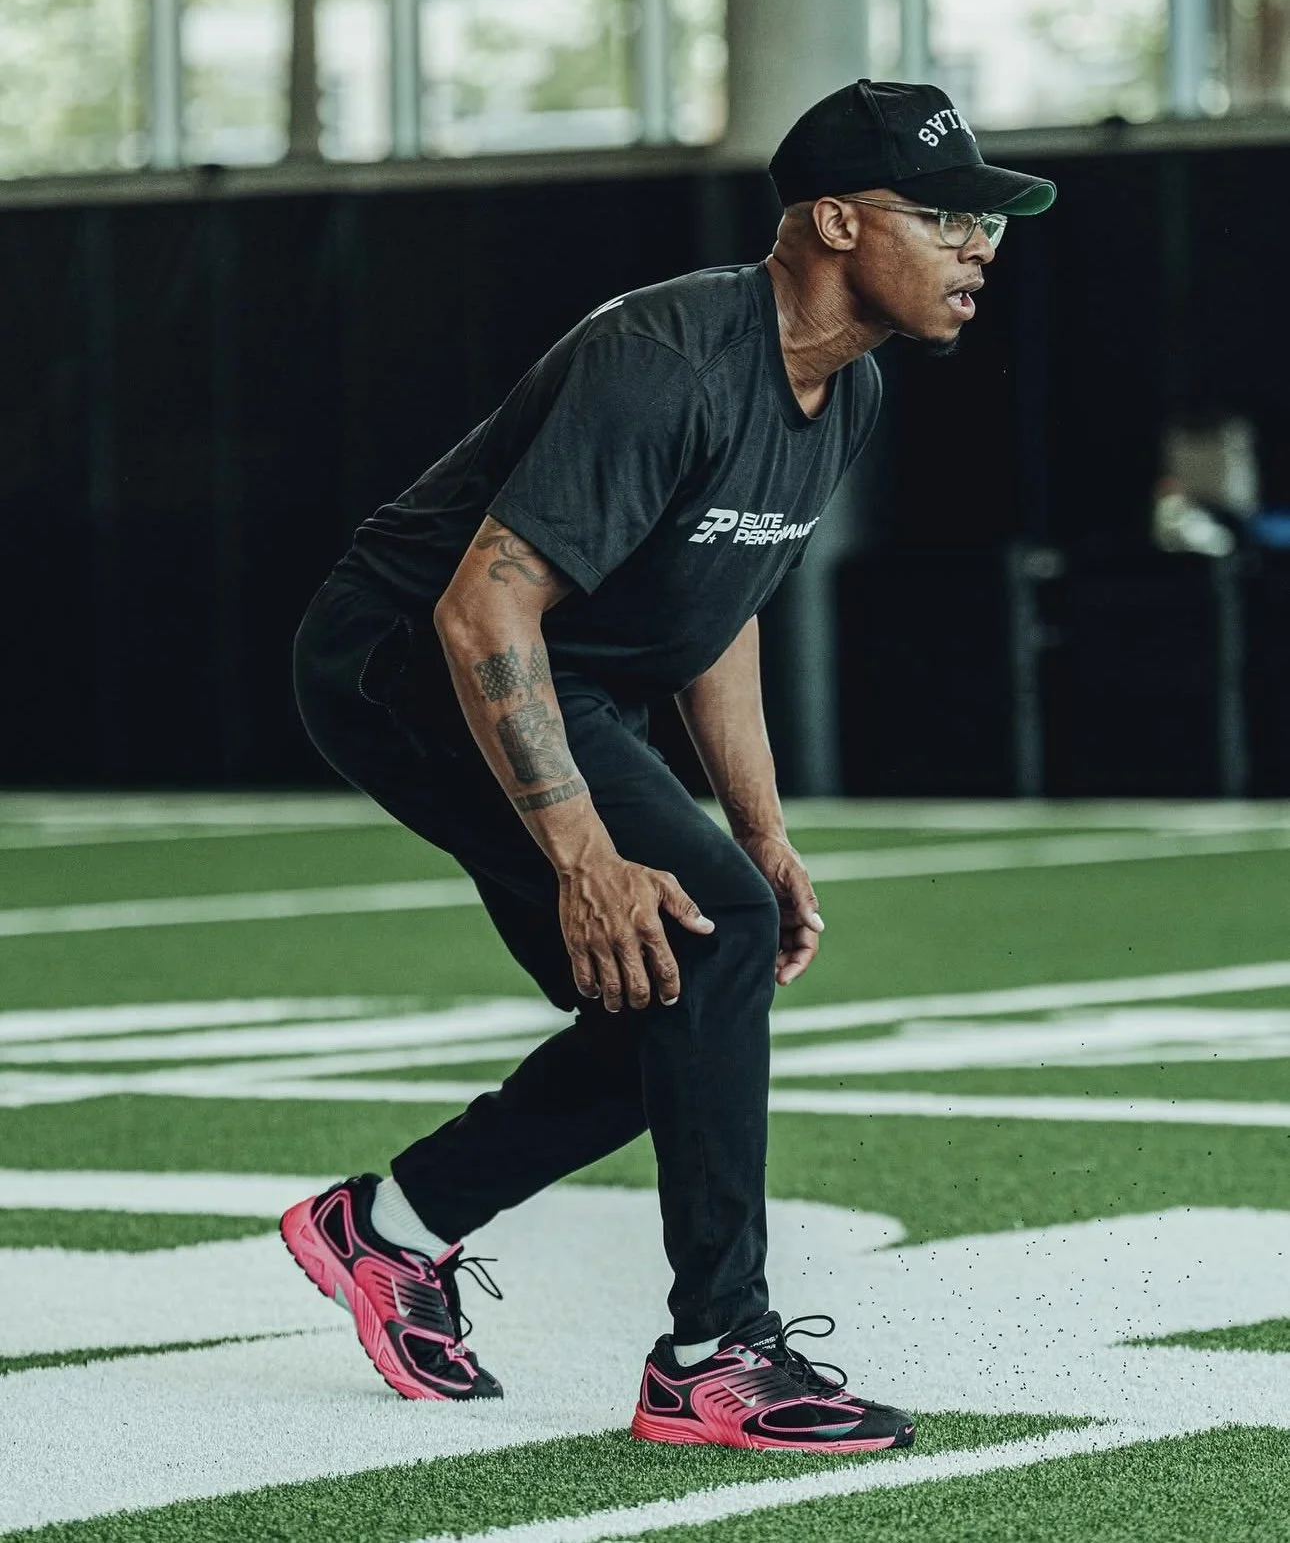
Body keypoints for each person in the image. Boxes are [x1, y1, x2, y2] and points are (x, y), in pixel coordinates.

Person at [282, 79, 1055, 1452]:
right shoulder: (668, 356)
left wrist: (759, 829)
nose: (978, 245)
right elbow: (482, 612)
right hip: (411, 657)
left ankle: (387, 1229)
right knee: (703, 948)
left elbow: (718, 604)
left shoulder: (849, 386)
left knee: (680, 993)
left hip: (562, 669)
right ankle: (714, 1355)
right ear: (834, 222)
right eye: (943, 217)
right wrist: (586, 856)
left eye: (984, 223)